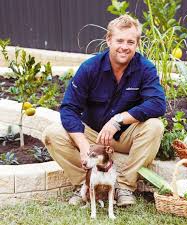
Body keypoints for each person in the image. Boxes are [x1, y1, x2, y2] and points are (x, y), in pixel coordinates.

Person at [42, 14, 166, 207]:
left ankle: (124, 187)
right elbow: (69, 108)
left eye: (130, 42)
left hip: (124, 136)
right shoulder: (90, 68)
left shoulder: (145, 68)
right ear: (109, 40)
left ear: (137, 44)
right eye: (120, 40)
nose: (125, 46)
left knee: (155, 127)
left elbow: (158, 103)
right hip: (93, 135)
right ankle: (83, 183)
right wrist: (84, 146)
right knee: (52, 134)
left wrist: (118, 120)